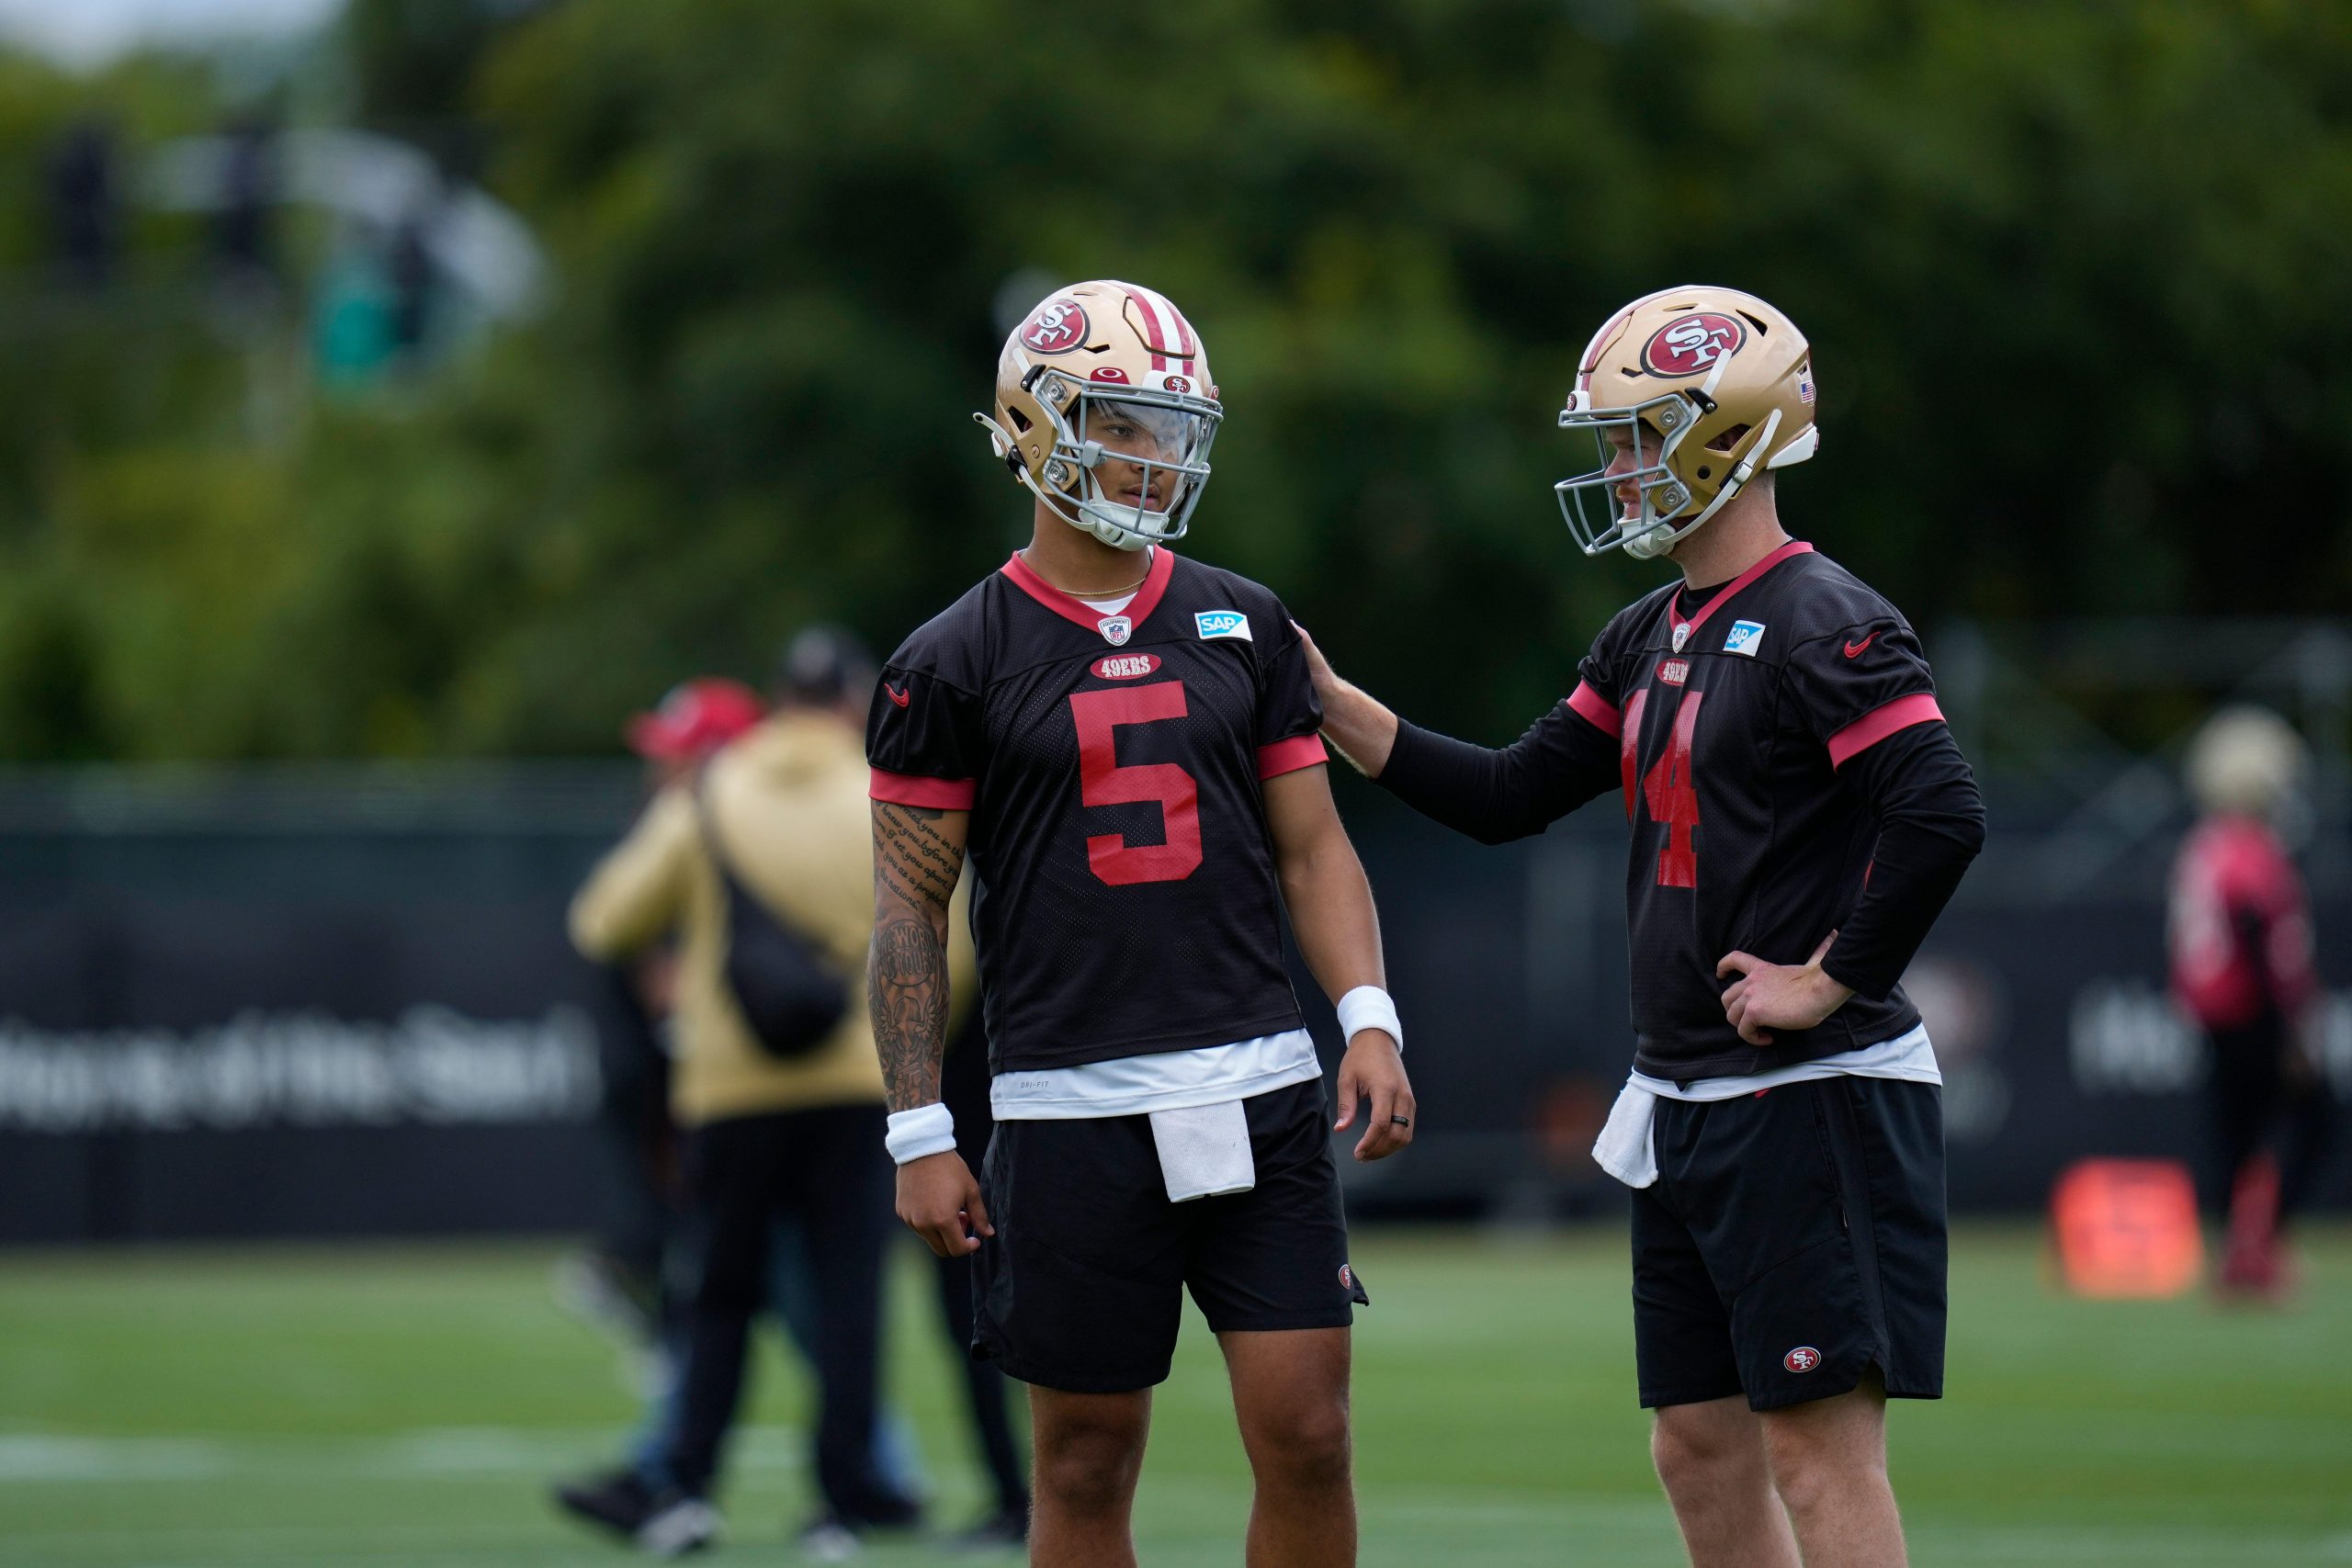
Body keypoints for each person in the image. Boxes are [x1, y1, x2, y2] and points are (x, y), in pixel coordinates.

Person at [1302, 286, 1984, 1568]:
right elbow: (1511, 792)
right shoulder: (1649, 628)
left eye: (1635, 435)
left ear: (1723, 434)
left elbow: (1942, 810)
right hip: (1686, 1098)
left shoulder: (1825, 618)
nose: (1615, 467)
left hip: (1808, 1094)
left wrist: (1831, 979)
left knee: (1819, 1450)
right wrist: (1335, 704)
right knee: (1699, 1443)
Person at [865, 279, 1415, 1568]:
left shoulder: (1245, 617)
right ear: (1038, 424)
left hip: (1260, 1082)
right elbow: (906, 904)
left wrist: (1369, 1017)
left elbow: (1313, 842)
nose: (1151, 456)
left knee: (1310, 1430)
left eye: (1168, 426)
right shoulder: (951, 657)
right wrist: (915, 1124)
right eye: (1122, 421)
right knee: (1085, 1455)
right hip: (1066, 1103)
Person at [565, 632, 924, 1557]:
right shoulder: (881, 791)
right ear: (850, 702)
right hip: (854, 1083)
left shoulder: (714, 790)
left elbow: (605, 918)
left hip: (731, 1088)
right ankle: (842, 1507)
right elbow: (948, 948)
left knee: (718, 1297)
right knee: (849, 1299)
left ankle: (683, 1489)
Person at [2169, 705, 2334, 1299]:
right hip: (2253, 1007)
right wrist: (2291, 1026)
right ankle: (2263, 1244)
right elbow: (2259, 928)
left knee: (2233, 1135)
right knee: (2316, 1117)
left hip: (2216, 1012)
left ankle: (2240, 1250)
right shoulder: (2250, 849)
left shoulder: (2203, 846)